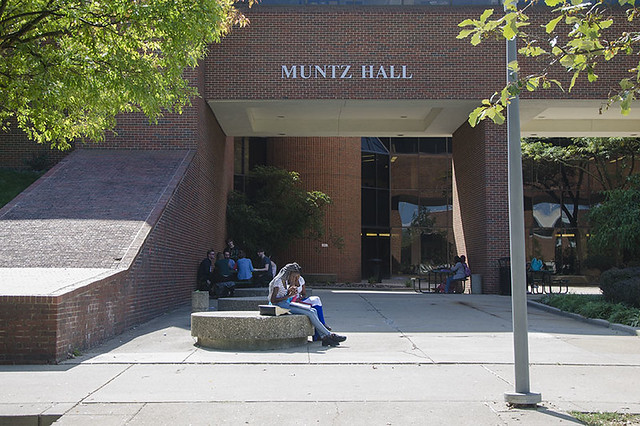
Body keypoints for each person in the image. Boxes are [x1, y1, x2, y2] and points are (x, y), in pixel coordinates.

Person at [268, 263, 346, 347]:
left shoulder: (285, 281)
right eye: (293, 276)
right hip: (279, 306)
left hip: (286, 303)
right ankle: (329, 335)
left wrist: (290, 292)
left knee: (313, 310)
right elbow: (273, 300)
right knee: (310, 312)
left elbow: (285, 296)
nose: (294, 278)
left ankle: (324, 337)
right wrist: (288, 296)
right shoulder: (278, 281)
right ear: (288, 273)